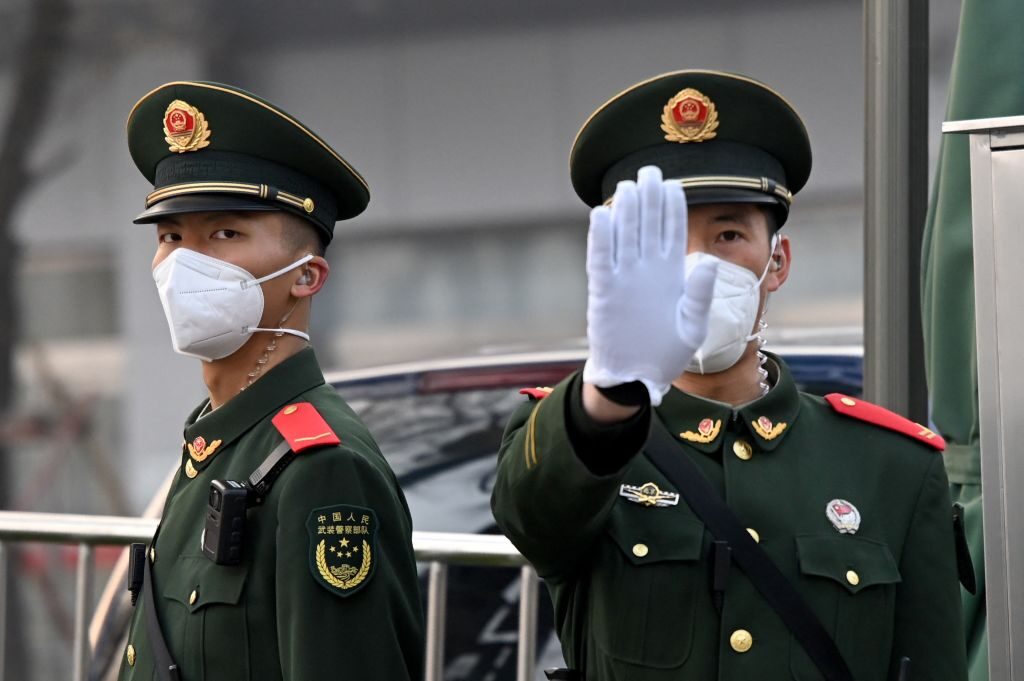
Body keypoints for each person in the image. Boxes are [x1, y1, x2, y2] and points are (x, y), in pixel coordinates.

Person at [491, 70, 968, 681]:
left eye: (728, 234)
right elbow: (532, 518)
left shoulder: (892, 465)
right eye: (667, 241)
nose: (698, 265)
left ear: (778, 262)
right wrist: (610, 395)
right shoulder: (584, 439)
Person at [118, 81, 423, 681]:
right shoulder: (219, 437)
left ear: (306, 277)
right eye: (171, 237)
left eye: (224, 234)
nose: (183, 264)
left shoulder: (321, 467)